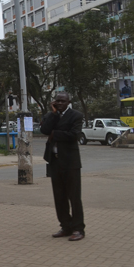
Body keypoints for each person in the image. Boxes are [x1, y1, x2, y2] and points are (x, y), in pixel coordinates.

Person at [40, 92, 85, 242]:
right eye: (57, 101)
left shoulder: (76, 115)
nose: (59, 103)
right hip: (55, 161)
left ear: (68, 102)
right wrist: (53, 116)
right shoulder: (51, 115)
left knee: (74, 196)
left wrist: (55, 134)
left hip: (70, 162)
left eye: (62, 101)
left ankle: (78, 229)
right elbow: (44, 130)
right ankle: (66, 226)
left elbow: (74, 135)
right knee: (59, 197)